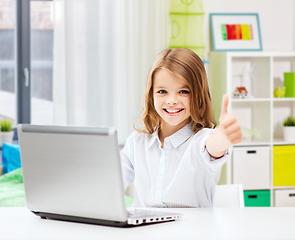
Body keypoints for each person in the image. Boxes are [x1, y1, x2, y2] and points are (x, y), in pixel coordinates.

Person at [120, 48, 242, 208]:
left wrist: (223, 137)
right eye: (162, 91)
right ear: (151, 94)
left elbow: (212, 147)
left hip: (190, 232)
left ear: (199, 95)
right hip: (143, 231)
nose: (172, 100)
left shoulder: (201, 140)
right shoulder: (137, 142)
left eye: (183, 91)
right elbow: (110, 182)